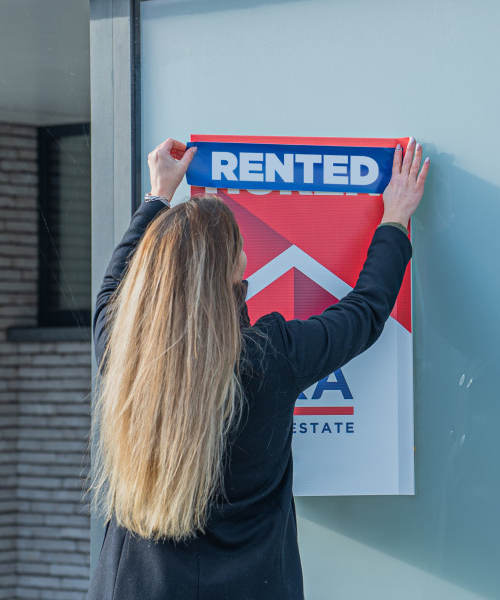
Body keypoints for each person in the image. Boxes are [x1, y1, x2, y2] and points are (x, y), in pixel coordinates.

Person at [86, 136, 429, 599]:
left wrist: (158, 196)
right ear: (232, 272)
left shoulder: (124, 352)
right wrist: (394, 219)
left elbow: (112, 290)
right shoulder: (269, 358)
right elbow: (364, 313)